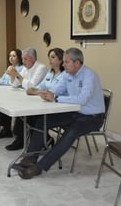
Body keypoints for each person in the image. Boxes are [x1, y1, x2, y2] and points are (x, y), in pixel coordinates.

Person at [17, 48, 105, 179]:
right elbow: (55, 90)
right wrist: (46, 93)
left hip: (92, 117)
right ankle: (30, 157)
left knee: (70, 132)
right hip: (75, 112)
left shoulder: (89, 75)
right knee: (43, 120)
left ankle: (40, 167)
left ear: (77, 63)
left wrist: (56, 98)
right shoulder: (67, 75)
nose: (63, 65)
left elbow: (82, 99)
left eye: (66, 62)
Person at [7, 48, 65, 152]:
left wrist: (35, 90)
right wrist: (14, 75)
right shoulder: (50, 73)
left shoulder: (63, 75)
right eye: (49, 58)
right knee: (24, 115)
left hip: (57, 106)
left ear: (61, 60)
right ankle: (37, 141)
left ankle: (40, 142)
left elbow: (54, 91)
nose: (50, 60)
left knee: (31, 117)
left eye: (53, 57)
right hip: (45, 101)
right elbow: (38, 86)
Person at [3, 47, 47, 150]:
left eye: (25, 59)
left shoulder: (41, 68)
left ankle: (22, 140)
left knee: (23, 115)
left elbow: (31, 86)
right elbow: (15, 84)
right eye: (22, 59)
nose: (23, 61)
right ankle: (20, 138)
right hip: (28, 98)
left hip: (39, 100)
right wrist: (13, 75)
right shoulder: (25, 67)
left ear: (33, 58)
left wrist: (17, 75)